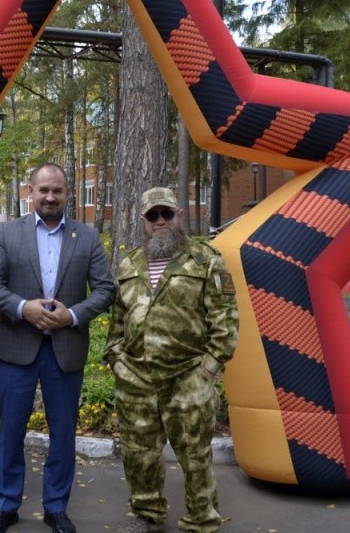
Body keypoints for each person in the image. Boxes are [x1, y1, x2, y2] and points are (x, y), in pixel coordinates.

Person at [0, 163, 116, 533]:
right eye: (44, 190)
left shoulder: (86, 237)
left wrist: (71, 316)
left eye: (57, 191)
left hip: (65, 350)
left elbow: (106, 290)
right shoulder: (9, 234)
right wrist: (25, 308)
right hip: (17, 350)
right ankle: (6, 505)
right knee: (10, 431)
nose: (50, 197)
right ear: (31, 191)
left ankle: (56, 507)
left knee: (63, 433)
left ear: (68, 193)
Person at [104, 187, 238, 533]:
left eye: (166, 214)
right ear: (143, 221)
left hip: (187, 376)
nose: (160, 221)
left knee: (195, 454)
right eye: (153, 216)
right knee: (139, 453)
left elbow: (225, 321)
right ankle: (147, 515)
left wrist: (208, 369)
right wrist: (117, 360)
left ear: (179, 215)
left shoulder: (206, 260)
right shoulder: (128, 263)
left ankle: (201, 521)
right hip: (136, 378)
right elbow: (118, 320)